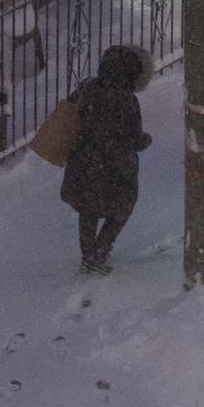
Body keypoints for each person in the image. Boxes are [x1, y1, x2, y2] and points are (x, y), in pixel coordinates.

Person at [59, 44, 154, 274]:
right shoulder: (127, 100)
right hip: (116, 165)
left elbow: (71, 112)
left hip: (84, 160)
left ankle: (88, 254)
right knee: (122, 207)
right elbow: (135, 138)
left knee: (88, 208)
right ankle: (100, 250)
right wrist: (145, 140)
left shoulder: (88, 88)